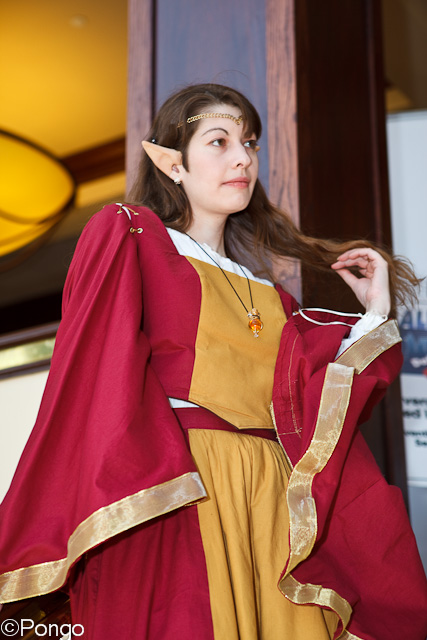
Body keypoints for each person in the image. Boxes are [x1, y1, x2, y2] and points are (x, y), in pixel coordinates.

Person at [0, 83, 426, 640]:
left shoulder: (272, 294)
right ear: (171, 163)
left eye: (249, 143)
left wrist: (374, 312)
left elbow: (320, 407)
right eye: (219, 141)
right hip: (186, 485)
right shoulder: (131, 234)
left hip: (276, 500)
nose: (242, 158)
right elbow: (92, 374)